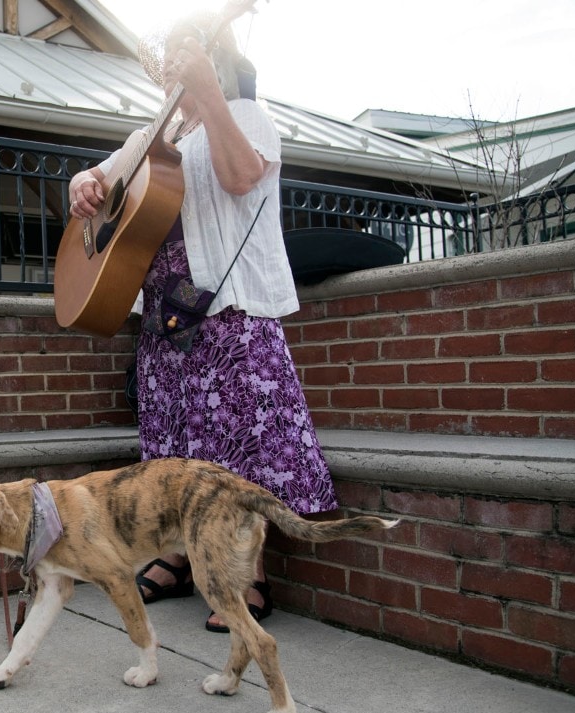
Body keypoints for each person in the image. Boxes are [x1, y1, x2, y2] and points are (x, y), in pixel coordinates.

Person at [67, 14, 338, 633]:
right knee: (172, 450)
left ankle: (246, 575)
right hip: (167, 319)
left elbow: (241, 178)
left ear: (210, 56)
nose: (166, 65)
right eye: (162, 58)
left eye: (176, 55)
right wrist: (83, 184)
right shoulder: (148, 138)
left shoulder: (246, 114)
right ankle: (176, 556)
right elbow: (94, 183)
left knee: (235, 449)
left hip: (228, 311)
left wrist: (211, 96)